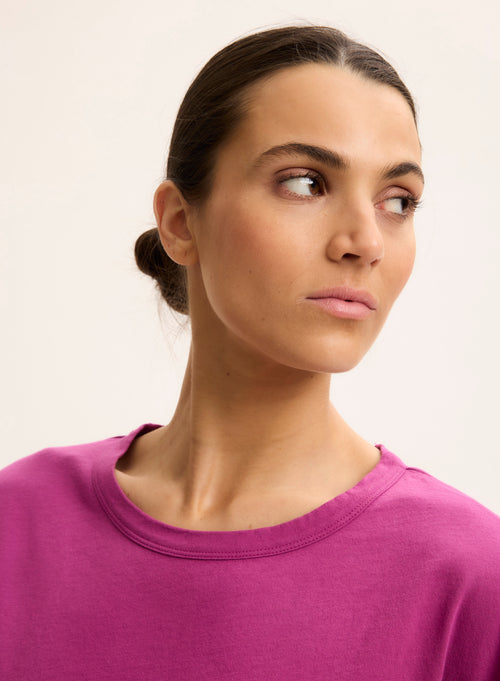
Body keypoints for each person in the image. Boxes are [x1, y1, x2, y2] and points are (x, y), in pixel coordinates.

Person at [1, 25, 499, 681]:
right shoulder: (19, 523)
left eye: (397, 200)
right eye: (305, 183)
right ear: (180, 222)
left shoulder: (469, 576)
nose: (365, 241)